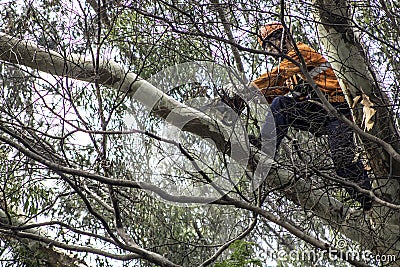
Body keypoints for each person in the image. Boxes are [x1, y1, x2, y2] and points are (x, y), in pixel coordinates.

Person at [249, 21, 373, 210]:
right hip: (319, 114)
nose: (271, 49)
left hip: (338, 109)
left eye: (271, 42)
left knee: (342, 162)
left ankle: (369, 200)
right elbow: (271, 90)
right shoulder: (289, 75)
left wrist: (244, 90)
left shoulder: (300, 52)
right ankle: (266, 148)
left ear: (282, 36)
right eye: (266, 46)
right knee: (280, 104)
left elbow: (275, 77)